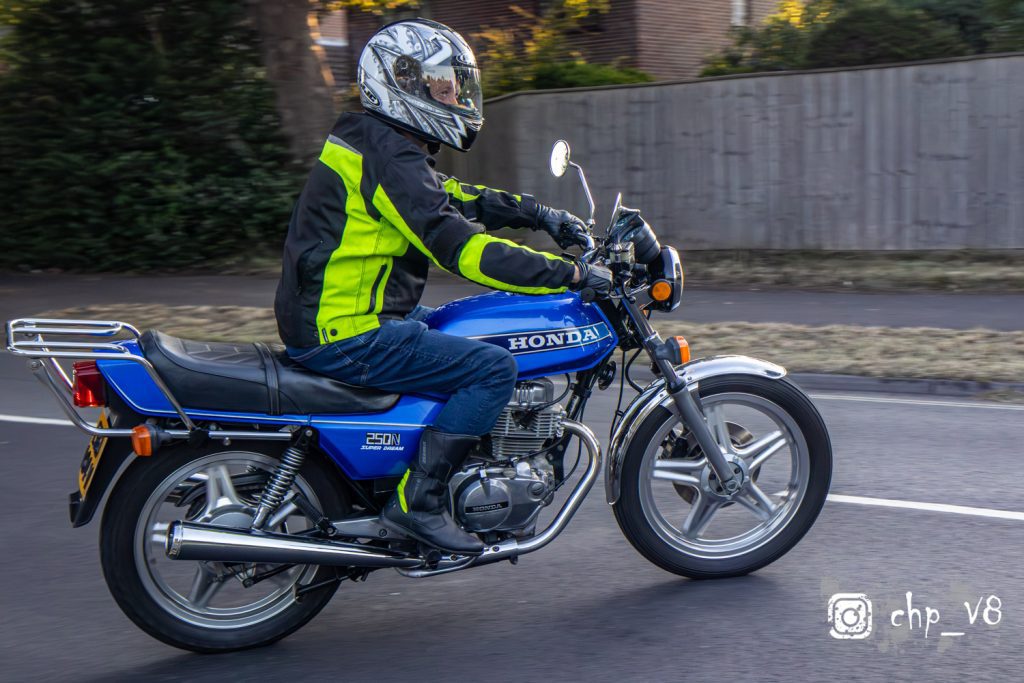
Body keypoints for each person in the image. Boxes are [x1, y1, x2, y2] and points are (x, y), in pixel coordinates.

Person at [274, 19, 612, 555]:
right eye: (444, 87)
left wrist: (538, 213)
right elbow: (461, 248)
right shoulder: (389, 156)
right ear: (403, 85)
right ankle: (419, 502)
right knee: (492, 368)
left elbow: (449, 194)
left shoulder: (378, 145)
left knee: (456, 326)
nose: (456, 97)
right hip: (346, 330)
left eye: (456, 86)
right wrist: (567, 273)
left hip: (343, 314)